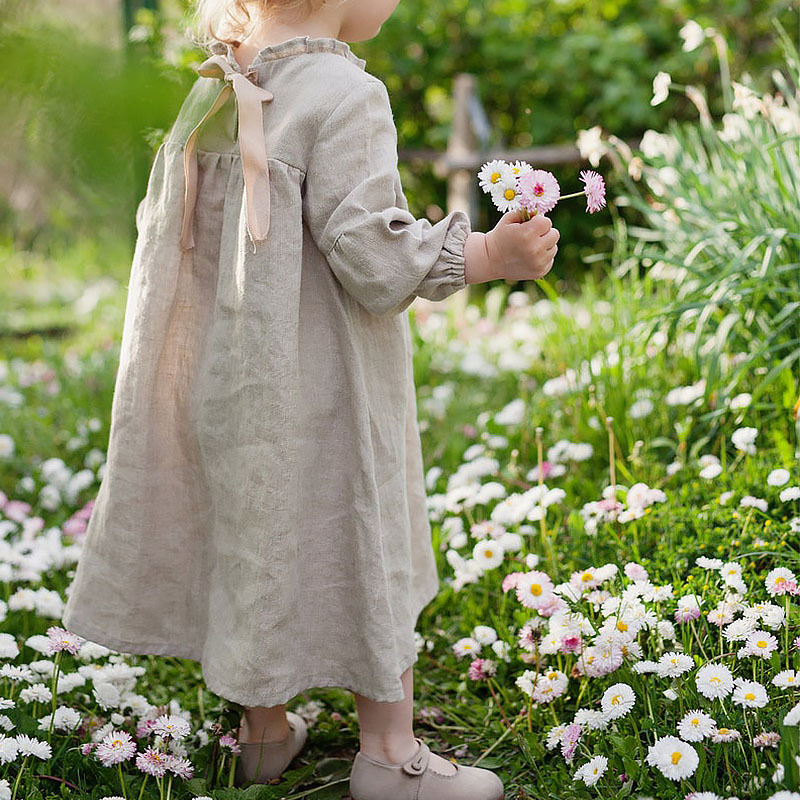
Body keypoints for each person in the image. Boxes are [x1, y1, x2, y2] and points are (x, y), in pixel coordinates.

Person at [60, 0, 559, 797]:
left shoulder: (218, 85)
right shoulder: (343, 93)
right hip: (323, 384)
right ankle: (391, 759)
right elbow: (373, 255)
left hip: (233, 378)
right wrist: (490, 254)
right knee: (356, 527)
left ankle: (263, 733)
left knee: (256, 525)